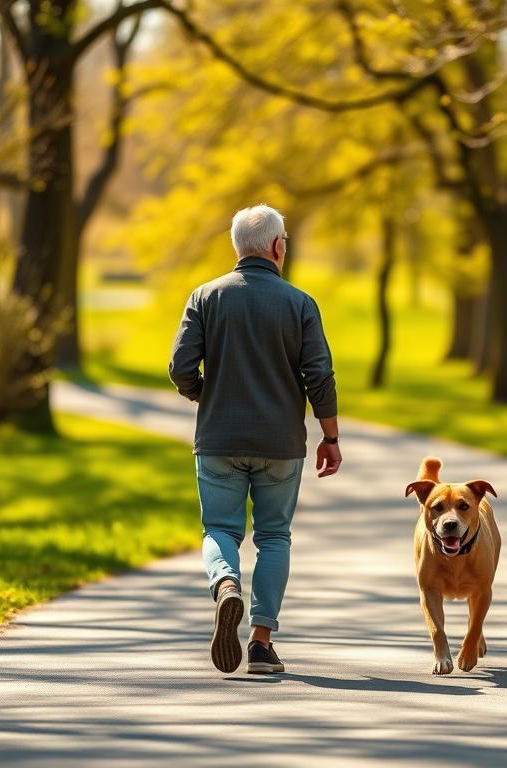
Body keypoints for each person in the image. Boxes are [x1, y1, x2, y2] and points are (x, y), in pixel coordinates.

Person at [169, 204, 341, 675]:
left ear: (237, 247)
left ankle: (226, 585)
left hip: (219, 438)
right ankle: (261, 644)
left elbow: (180, 368)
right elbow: (319, 375)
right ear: (277, 247)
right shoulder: (299, 304)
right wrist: (330, 435)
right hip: (281, 443)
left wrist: (209, 395)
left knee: (220, 530)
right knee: (273, 537)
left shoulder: (206, 297)